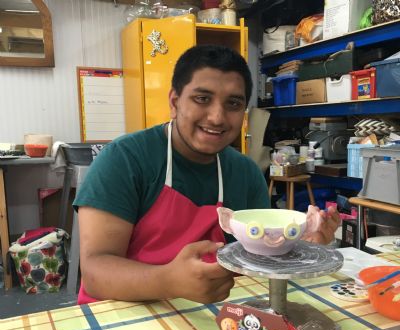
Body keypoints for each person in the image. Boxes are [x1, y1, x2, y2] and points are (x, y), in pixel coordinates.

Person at [73, 44, 340, 305]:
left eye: (233, 103)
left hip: (211, 314)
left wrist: (302, 247)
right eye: (202, 99)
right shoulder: (124, 160)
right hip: (124, 314)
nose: (217, 117)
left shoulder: (246, 173)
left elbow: (260, 257)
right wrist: (168, 281)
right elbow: (96, 271)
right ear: (174, 102)